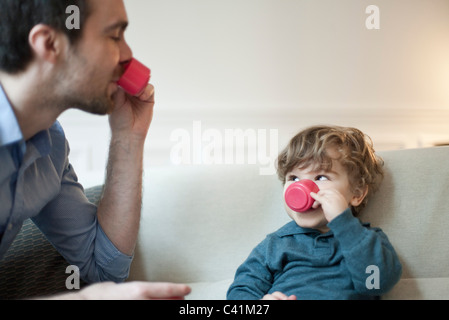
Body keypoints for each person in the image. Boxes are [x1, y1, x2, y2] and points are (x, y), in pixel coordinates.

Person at [0, 0, 190, 299]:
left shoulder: (49, 146)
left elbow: (103, 268)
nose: (127, 56)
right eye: (114, 36)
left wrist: (128, 136)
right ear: (49, 44)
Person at [227, 125, 402, 300]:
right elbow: (240, 290)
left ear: (356, 194)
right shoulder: (275, 244)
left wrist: (344, 224)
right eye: (294, 178)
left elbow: (378, 283)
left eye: (321, 177)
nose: (302, 189)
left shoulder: (367, 240)